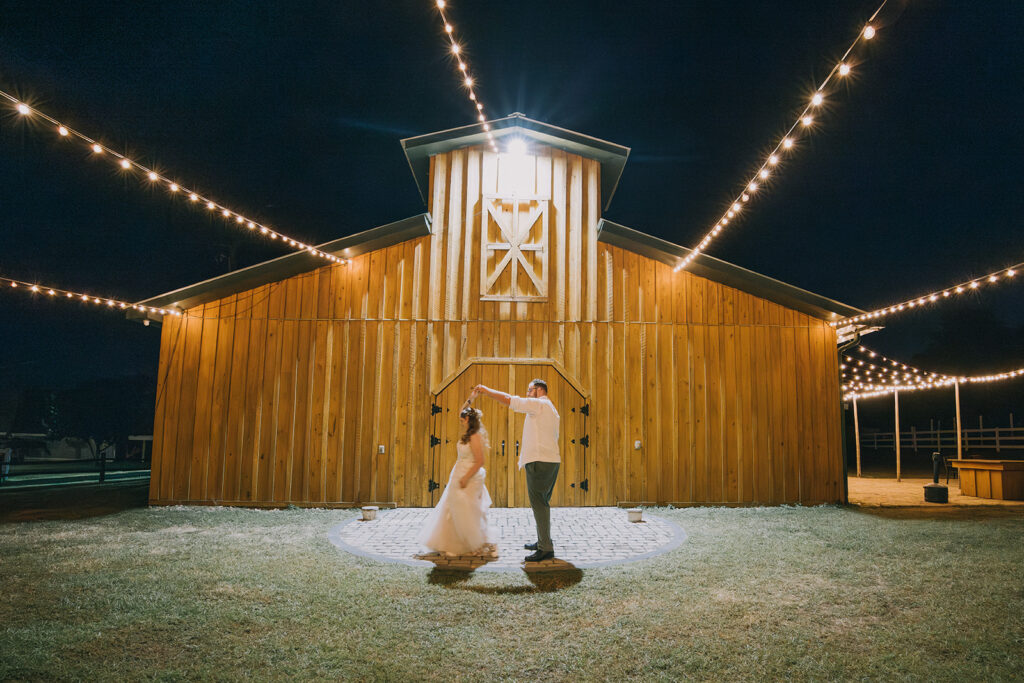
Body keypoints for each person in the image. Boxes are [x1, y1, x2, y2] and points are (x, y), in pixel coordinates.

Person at [474, 379, 559, 562]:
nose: (528, 393)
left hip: (539, 461)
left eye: (530, 390)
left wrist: (486, 390)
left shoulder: (539, 404)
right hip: (551, 461)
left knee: (539, 504)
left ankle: (545, 548)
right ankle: (543, 540)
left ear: (539, 390)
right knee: (542, 503)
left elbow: (509, 399)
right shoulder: (552, 410)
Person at [417, 393, 495, 557]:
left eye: (462, 420)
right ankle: (448, 540)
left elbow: (480, 461)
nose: (460, 422)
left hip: (469, 476)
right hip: (458, 471)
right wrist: (471, 398)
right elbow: (462, 410)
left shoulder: (474, 437)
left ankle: (468, 543)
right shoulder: (468, 432)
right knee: (451, 507)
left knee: (466, 509)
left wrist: (466, 477)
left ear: (468, 420)